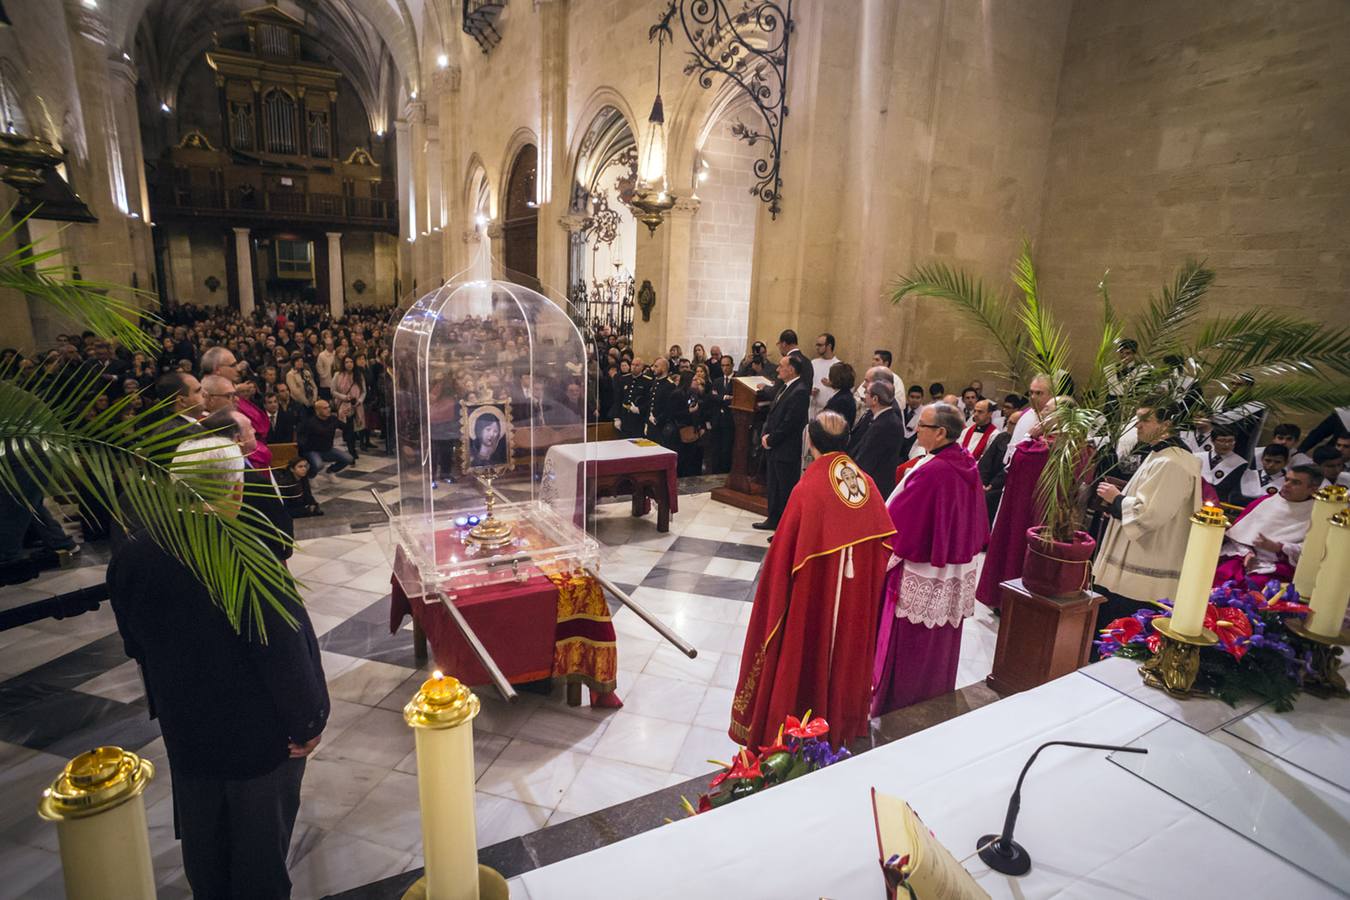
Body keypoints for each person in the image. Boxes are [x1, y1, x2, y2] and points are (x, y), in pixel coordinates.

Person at [107, 437, 328, 900]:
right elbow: (283, 652)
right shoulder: (244, 553)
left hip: (185, 729)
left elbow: (135, 644)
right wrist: (309, 720)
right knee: (258, 861)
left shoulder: (134, 552)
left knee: (206, 854)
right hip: (257, 740)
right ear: (236, 489)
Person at [730, 412, 894, 749]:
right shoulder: (867, 484)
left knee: (807, 648)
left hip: (813, 598)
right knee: (844, 646)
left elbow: (782, 562)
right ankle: (841, 719)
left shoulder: (809, 489)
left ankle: (799, 724)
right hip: (853, 601)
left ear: (810, 442)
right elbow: (883, 549)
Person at [871, 403, 988, 714]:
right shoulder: (963, 461)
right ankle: (935, 696)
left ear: (940, 432)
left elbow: (898, 525)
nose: (916, 430)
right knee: (940, 642)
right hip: (951, 568)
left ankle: (900, 702)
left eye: (922, 426)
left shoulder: (934, 471)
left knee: (913, 644)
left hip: (921, 570)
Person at [1093, 403, 1204, 635]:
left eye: (1145, 420)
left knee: (1123, 628)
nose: (1138, 425)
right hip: (1136, 557)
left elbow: (1150, 515)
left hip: (1144, 566)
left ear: (1167, 424)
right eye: (1137, 419)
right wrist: (1116, 505)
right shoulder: (1161, 455)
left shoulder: (1173, 462)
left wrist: (1116, 500)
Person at [1213, 465, 1319, 589]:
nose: (1286, 485)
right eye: (1286, 479)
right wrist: (1247, 553)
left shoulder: (1317, 515)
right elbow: (1236, 535)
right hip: (1244, 556)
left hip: (1278, 565)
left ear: (1312, 489)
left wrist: (1279, 548)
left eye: (1295, 483)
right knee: (1221, 574)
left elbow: (1312, 552)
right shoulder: (1264, 502)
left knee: (1256, 586)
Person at [753, 353, 811, 530]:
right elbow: (775, 414)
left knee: (785, 490)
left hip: (786, 448)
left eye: (781, 366)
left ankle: (785, 529)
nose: (777, 369)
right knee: (774, 487)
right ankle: (773, 519)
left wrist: (771, 438)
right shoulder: (786, 387)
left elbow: (790, 423)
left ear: (791, 369)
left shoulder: (800, 391)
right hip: (774, 446)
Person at [849, 379, 903, 499]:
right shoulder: (883, 419)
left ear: (875, 399)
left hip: (875, 486)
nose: (864, 396)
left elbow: (867, 459)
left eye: (867, 393)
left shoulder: (884, 425)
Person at [297, 399, 353, 479]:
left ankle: (330, 471)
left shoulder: (332, 419)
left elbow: (345, 427)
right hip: (312, 450)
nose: (328, 410)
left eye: (329, 407)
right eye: (325, 408)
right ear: (317, 410)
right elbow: (319, 432)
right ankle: (310, 477)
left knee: (348, 458)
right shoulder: (310, 422)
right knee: (318, 465)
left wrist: (345, 418)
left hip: (328, 449)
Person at [979, 409, 1017, 522]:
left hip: (1001, 486)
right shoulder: (1002, 437)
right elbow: (986, 461)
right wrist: (982, 482)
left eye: (1012, 423)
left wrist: (992, 485)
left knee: (987, 499)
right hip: (987, 482)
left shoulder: (1021, 442)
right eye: (1008, 422)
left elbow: (1009, 467)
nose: (1008, 425)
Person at [1005, 373, 1051, 464]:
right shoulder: (1024, 414)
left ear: (1052, 394)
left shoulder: (1054, 420)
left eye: (1038, 393)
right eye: (1031, 392)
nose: (1033, 397)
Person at [1196, 426, 1248, 504]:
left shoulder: (1241, 464)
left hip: (1219, 503)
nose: (1226, 444)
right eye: (1222, 441)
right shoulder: (1198, 457)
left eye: (1231, 441)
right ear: (1212, 441)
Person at [809, 332, 838, 418]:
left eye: (820, 345)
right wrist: (810, 390)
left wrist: (831, 384)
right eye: (816, 345)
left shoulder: (837, 365)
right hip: (811, 408)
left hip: (827, 411)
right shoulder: (813, 363)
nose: (817, 348)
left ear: (829, 346)